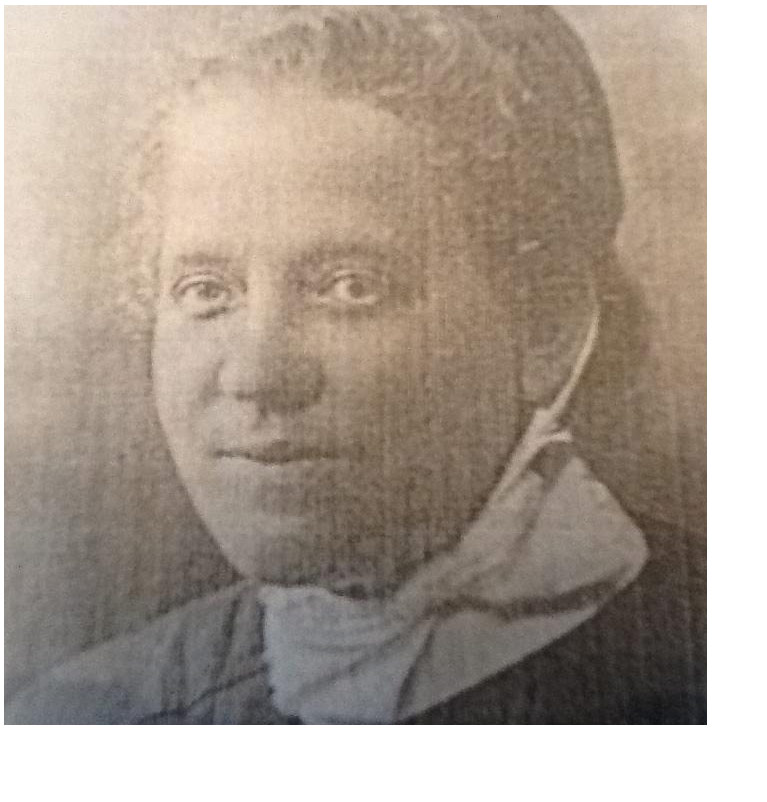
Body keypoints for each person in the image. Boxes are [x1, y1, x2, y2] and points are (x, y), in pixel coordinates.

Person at [6, 6, 705, 724]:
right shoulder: (79, 717)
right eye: (206, 291)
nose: (256, 375)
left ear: (545, 328)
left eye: (350, 286)